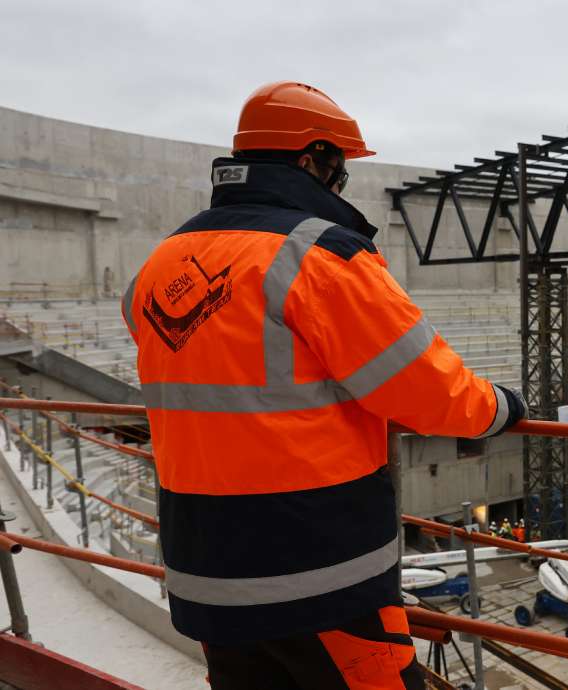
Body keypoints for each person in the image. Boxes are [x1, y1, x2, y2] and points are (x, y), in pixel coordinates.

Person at [121, 81, 524, 690]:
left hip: (205, 567)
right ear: (311, 159)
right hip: (316, 572)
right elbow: (428, 392)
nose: (341, 187)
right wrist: (501, 408)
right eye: (339, 170)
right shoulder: (317, 254)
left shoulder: (161, 264)